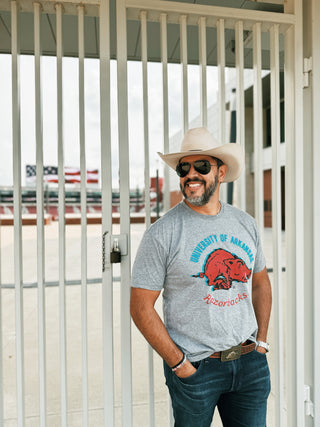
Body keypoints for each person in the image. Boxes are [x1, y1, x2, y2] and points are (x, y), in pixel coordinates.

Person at [130, 127, 272, 427]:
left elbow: (259, 282)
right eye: (184, 168)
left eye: (201, 166)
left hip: (249, 362)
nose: (191, 174)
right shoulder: (162, 233)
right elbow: (140, 307)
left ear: (220, 173)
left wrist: (261, 344)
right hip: (196, 369)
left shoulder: (245, 224)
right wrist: (180, 364)